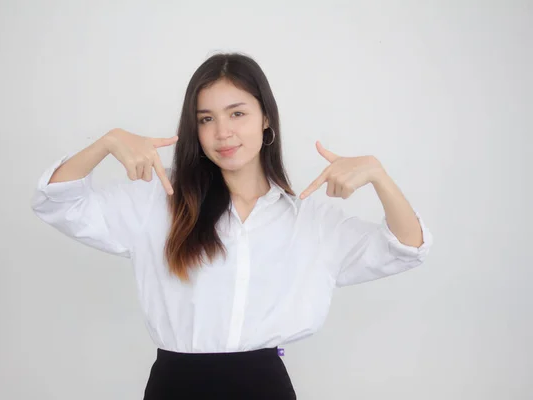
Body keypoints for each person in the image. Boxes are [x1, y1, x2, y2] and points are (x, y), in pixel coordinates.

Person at [31, 52, 433, 399]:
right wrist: (106, 142)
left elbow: (406, 248)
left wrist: (380, 177)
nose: (222, 132)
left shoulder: (309, 221)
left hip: (264, 389)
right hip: (175, 388)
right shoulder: (161, 201)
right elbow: (58, 202)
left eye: (237, 113)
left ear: (265, 119)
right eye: (206, 119)